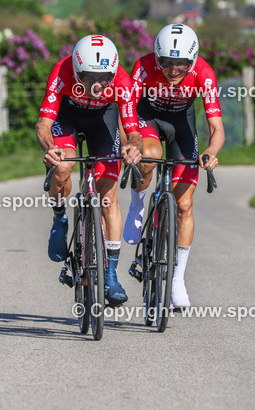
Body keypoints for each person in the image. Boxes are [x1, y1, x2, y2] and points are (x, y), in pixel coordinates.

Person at [36, 34, 143, 305]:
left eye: (104, 78)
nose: (97, 84)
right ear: (76, 70)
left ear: (113, 72)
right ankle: (59, 217)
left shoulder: (122, 81)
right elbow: (43, 124)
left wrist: (133, 147)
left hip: (103, 120)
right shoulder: (61, 72)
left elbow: (133, 131)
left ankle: (111, 274)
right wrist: (50, 148)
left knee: (108, 196)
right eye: (89, 77)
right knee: (62, 167)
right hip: (68, 117)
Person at [124, 23, 224, 308]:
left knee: (184, 206)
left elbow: (216, 127)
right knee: (150, 155)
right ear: (157, 57)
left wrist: (211, 151)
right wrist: (130, 141)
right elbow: (126, 107)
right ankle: (137, 205)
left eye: (182, 64)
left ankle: (177, 279)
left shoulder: (204, 73)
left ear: (193, 60)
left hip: (182, 123)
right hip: (148, 118)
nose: (173, 69)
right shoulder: (143, 67)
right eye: (166, 62)